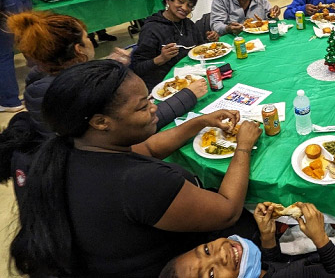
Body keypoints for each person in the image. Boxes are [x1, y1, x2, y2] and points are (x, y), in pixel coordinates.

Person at [9, 60, 263, 277]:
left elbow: (151, 148)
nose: (154, 108)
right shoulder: (139, 183)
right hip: (175, 266)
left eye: (149, 99)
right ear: (100, 122)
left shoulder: (74, 148)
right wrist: (243, 146)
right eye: (143, 106)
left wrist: (200, 121)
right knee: (255, 217)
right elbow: (228, 210)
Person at [7, 11, 206, 136]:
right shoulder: (77, 93)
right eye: (87, 38)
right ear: (79, 50)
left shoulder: (38, 80)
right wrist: (187, 95)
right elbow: (138, 124)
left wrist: (107, 65)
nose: (90, 42)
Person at [161, 202, 335, 278]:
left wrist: (268, 237)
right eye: (212, 274)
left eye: (207, 251)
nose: (221, 255)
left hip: (306, 259)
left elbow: (272, 268)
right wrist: (321, 239)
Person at [131, 0, 217, 91]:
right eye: (180, 2)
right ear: (168, 0)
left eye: (189, 6)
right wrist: (161, 59)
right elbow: (137, 68)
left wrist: (210, 40)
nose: (185, 8)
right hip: (165, 86)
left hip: (192, 78)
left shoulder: (188, 24)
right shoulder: (151, 29)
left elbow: (200, 49)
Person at [0, 0, 31, 113]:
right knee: (30, 43)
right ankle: (47, 86)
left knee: (3, 54)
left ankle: (10, 101)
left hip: (4, 1)